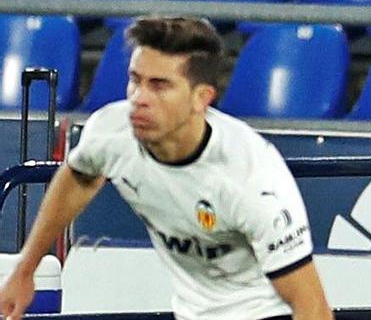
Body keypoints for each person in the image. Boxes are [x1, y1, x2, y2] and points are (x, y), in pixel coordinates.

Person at [0, 16, 333, 320]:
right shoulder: (113, 131)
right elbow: (78, 179)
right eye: (135, 80)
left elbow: (311, 306)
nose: (140, 98)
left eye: (159, 85)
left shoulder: (251, 179)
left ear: (201, 97)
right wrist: (26, 268)